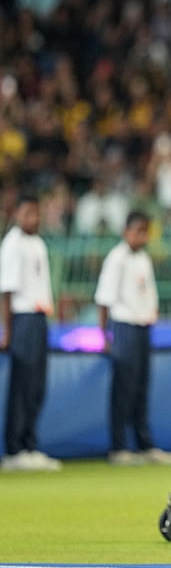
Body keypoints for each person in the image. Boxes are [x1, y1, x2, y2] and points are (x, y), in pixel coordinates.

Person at [95, 210, 171, 466]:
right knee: (124, 388)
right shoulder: (117, 259)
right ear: (126, 232)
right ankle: (119, 446)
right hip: (124, 327)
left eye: (145, 232)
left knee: (141, 386)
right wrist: (105, 335)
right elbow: (104, 300)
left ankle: (144, 444)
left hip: (143, 327)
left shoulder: (143, 258)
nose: (142, 237)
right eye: (137, 231)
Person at [1, 194, 60, 472]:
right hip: (22, 317)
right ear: (17, 214)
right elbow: (6, 292)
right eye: (28, 214)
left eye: (37, 214)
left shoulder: (38, 243)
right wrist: (7, 330)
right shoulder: (12, 243)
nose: (34, 220)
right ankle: (15, 449)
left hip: (39, 316)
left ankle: (30, 444)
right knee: (22, 385)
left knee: (37, 385)